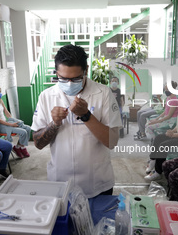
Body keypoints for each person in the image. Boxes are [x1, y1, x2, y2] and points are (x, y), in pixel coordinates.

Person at [31, 44, 122, 198]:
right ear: (56, 72)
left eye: (76, 78)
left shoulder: (103, 94)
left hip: (97, 184)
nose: (69, 83)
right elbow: (38, 144)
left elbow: (112, 141)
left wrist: (86, 115)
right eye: (63, 78)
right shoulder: (46, 96)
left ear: (85, 70)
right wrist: (54, 124)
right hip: (60, 183)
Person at [0, 84, 31, 158]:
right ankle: (20, 148)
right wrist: (11, 125)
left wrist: (13, 120)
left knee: (28, 128)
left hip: (6, 123)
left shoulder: (0, 101)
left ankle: (19, 147)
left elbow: (7, 113)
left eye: (0, 92)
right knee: (23, 132)